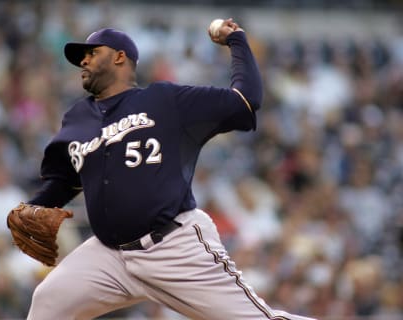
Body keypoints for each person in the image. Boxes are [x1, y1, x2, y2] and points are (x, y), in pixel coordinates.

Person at [18, 19, 317, 320]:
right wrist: (35, 207)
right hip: (109, 256)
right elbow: (67, 179)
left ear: (120, 57)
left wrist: (237, 41)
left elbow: (245, 101)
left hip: (172, 247)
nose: (83, 60)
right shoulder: (78, 118)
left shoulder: (164, 100)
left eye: (92, 53)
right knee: (47, 302)